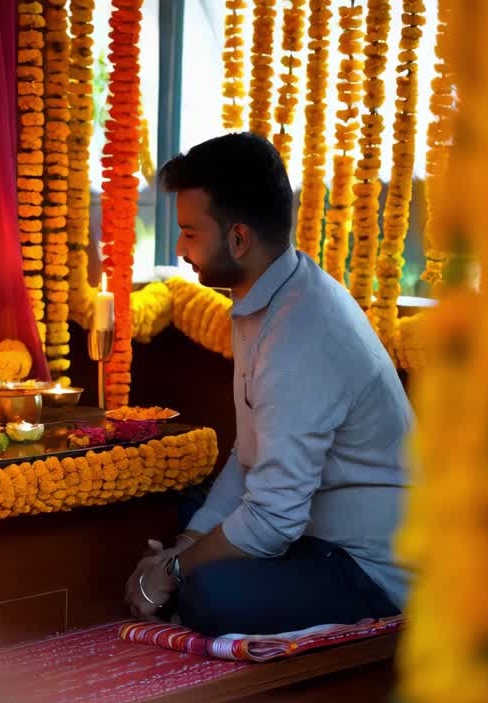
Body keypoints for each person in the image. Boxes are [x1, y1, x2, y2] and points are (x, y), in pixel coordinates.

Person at [123, 133, 412, 636]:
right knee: (189, 513)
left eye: (190, 233)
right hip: (306, 533)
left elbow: (273, 519)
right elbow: (249, 455)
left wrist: (171, 571)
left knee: (211, 596)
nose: (179, 249)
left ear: (238, 239)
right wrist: (188, 545)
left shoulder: (303, 331)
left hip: (365, 565)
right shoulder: (271, 296)